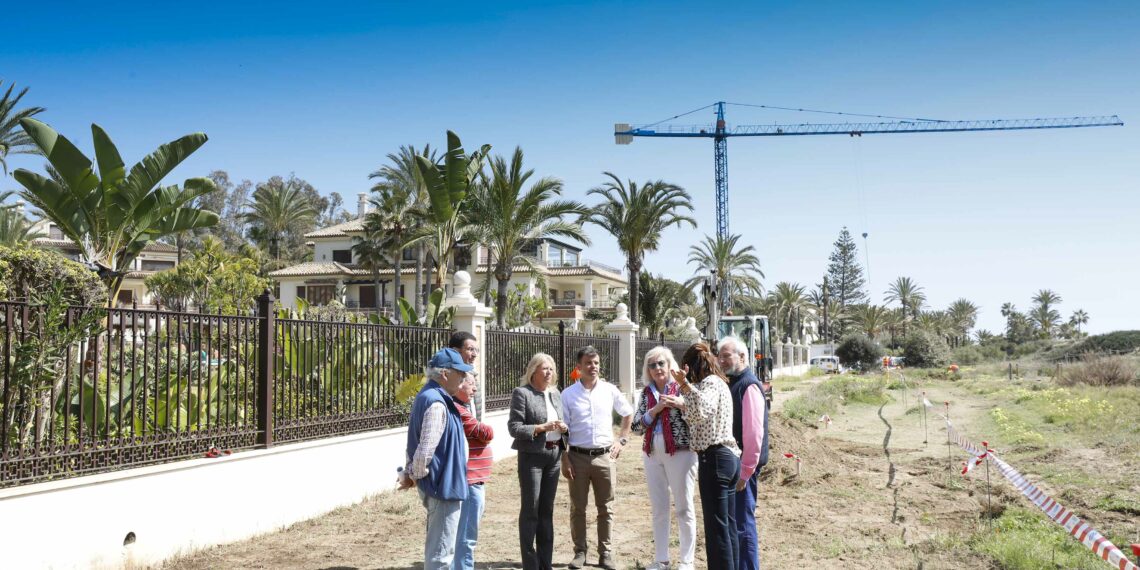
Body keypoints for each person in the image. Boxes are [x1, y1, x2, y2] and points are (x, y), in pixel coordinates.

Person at [560, 346, 634, 570]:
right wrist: (565, 457)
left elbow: (628, 412)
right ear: (579, 367)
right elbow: (563, 429)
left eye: (596, 363)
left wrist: (621, 440)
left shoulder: (609, 390)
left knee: (606, 507)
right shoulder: (568, 394)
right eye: (589, 363)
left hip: (604, 457)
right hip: (577, 457)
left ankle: (605, 553)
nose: (593, 367)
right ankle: (580, 552)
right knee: (578, 508)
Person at [399, 347, 473, 570]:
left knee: (440, 550)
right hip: (443, 486)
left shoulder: (431, 396)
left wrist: (412, 474)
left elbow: (416, 444)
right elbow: (424, 450)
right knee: (441, 555)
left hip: (441, 485)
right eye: (459, 372)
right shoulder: (437, 402)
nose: (463, 377)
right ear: (445, 374)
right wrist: (415, 475)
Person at [673, 342, 740, 570]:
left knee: (717, 529)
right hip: (724, 459)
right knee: (727, 526)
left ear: (692, 367)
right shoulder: (718, 383)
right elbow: (696, 413)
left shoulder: (710, 383)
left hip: (716, 459)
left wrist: (684, 385)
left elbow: (702, 410)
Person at [633, 347, 697, 570]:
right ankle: (661, 559)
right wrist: (655, 409)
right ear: (648, 370)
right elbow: (635, 426)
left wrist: (681, 403)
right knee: (659, 507)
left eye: (661, 363)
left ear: (671, 365)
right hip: (652, 452)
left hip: (680, 451)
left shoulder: (683, 386)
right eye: (652, 365)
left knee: (683, 507)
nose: (658, 368)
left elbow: (699, 415)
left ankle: (687, 561)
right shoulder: (646, 393)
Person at [508, 353, 568, 570]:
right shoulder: (522, 393)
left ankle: (546, 563)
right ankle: (530, 564)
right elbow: (514, 428)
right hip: (532, 458)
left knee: (547, 511)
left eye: (551, 369)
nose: (549, 373)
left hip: (554, 457)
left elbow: (563, 425)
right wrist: (542, 427)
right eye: (544, 368)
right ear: (533, 371)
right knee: (531, 510)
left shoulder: (556, 394)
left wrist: (563, 428)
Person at [717, 336, 769, 570]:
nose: (721, 361)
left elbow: (754, 436)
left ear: (742, 356)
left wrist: (745, 472)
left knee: (743, 526)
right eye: (720, 356)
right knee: (735, 524)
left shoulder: (748, 385)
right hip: (734, 468)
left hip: (742, 471)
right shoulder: (732, 383)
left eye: (726, 356)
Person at [452, 371, 494, 570]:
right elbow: (486, 433)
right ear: (459, 384)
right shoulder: (458, 409)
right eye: (471, 383)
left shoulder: (466, 408)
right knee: (466, 536)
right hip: (469, 482)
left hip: (475, 481)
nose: (475, 388)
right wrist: (484, 429)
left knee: (466, 534)